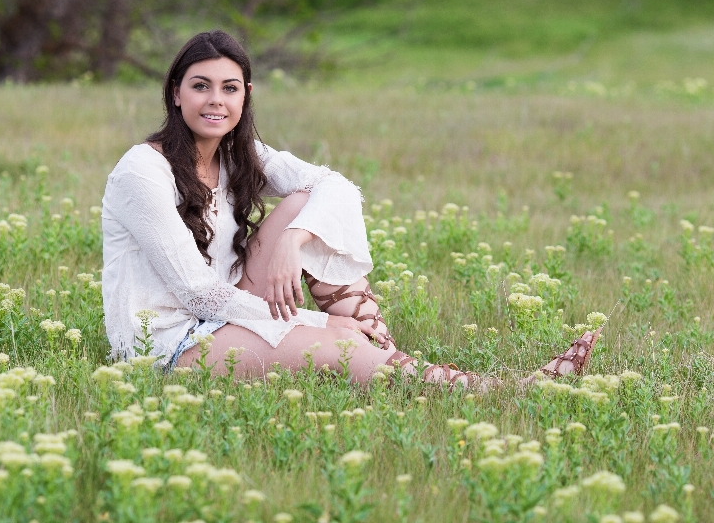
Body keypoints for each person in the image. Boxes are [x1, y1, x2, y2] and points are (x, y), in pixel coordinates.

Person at [101, 30, 599, 389]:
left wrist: (293, 241)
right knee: (333, 348)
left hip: (228, 305)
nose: (216, 101)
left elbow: (334, 186)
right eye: (200, 85)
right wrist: (316, 323)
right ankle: (493, 391)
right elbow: (195, 294)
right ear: (175, 93)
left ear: (246, 95)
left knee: (306, 203)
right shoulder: (142, 173)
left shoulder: (240, 154)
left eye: (229, 88)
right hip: (168, 341)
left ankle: (384, 352)